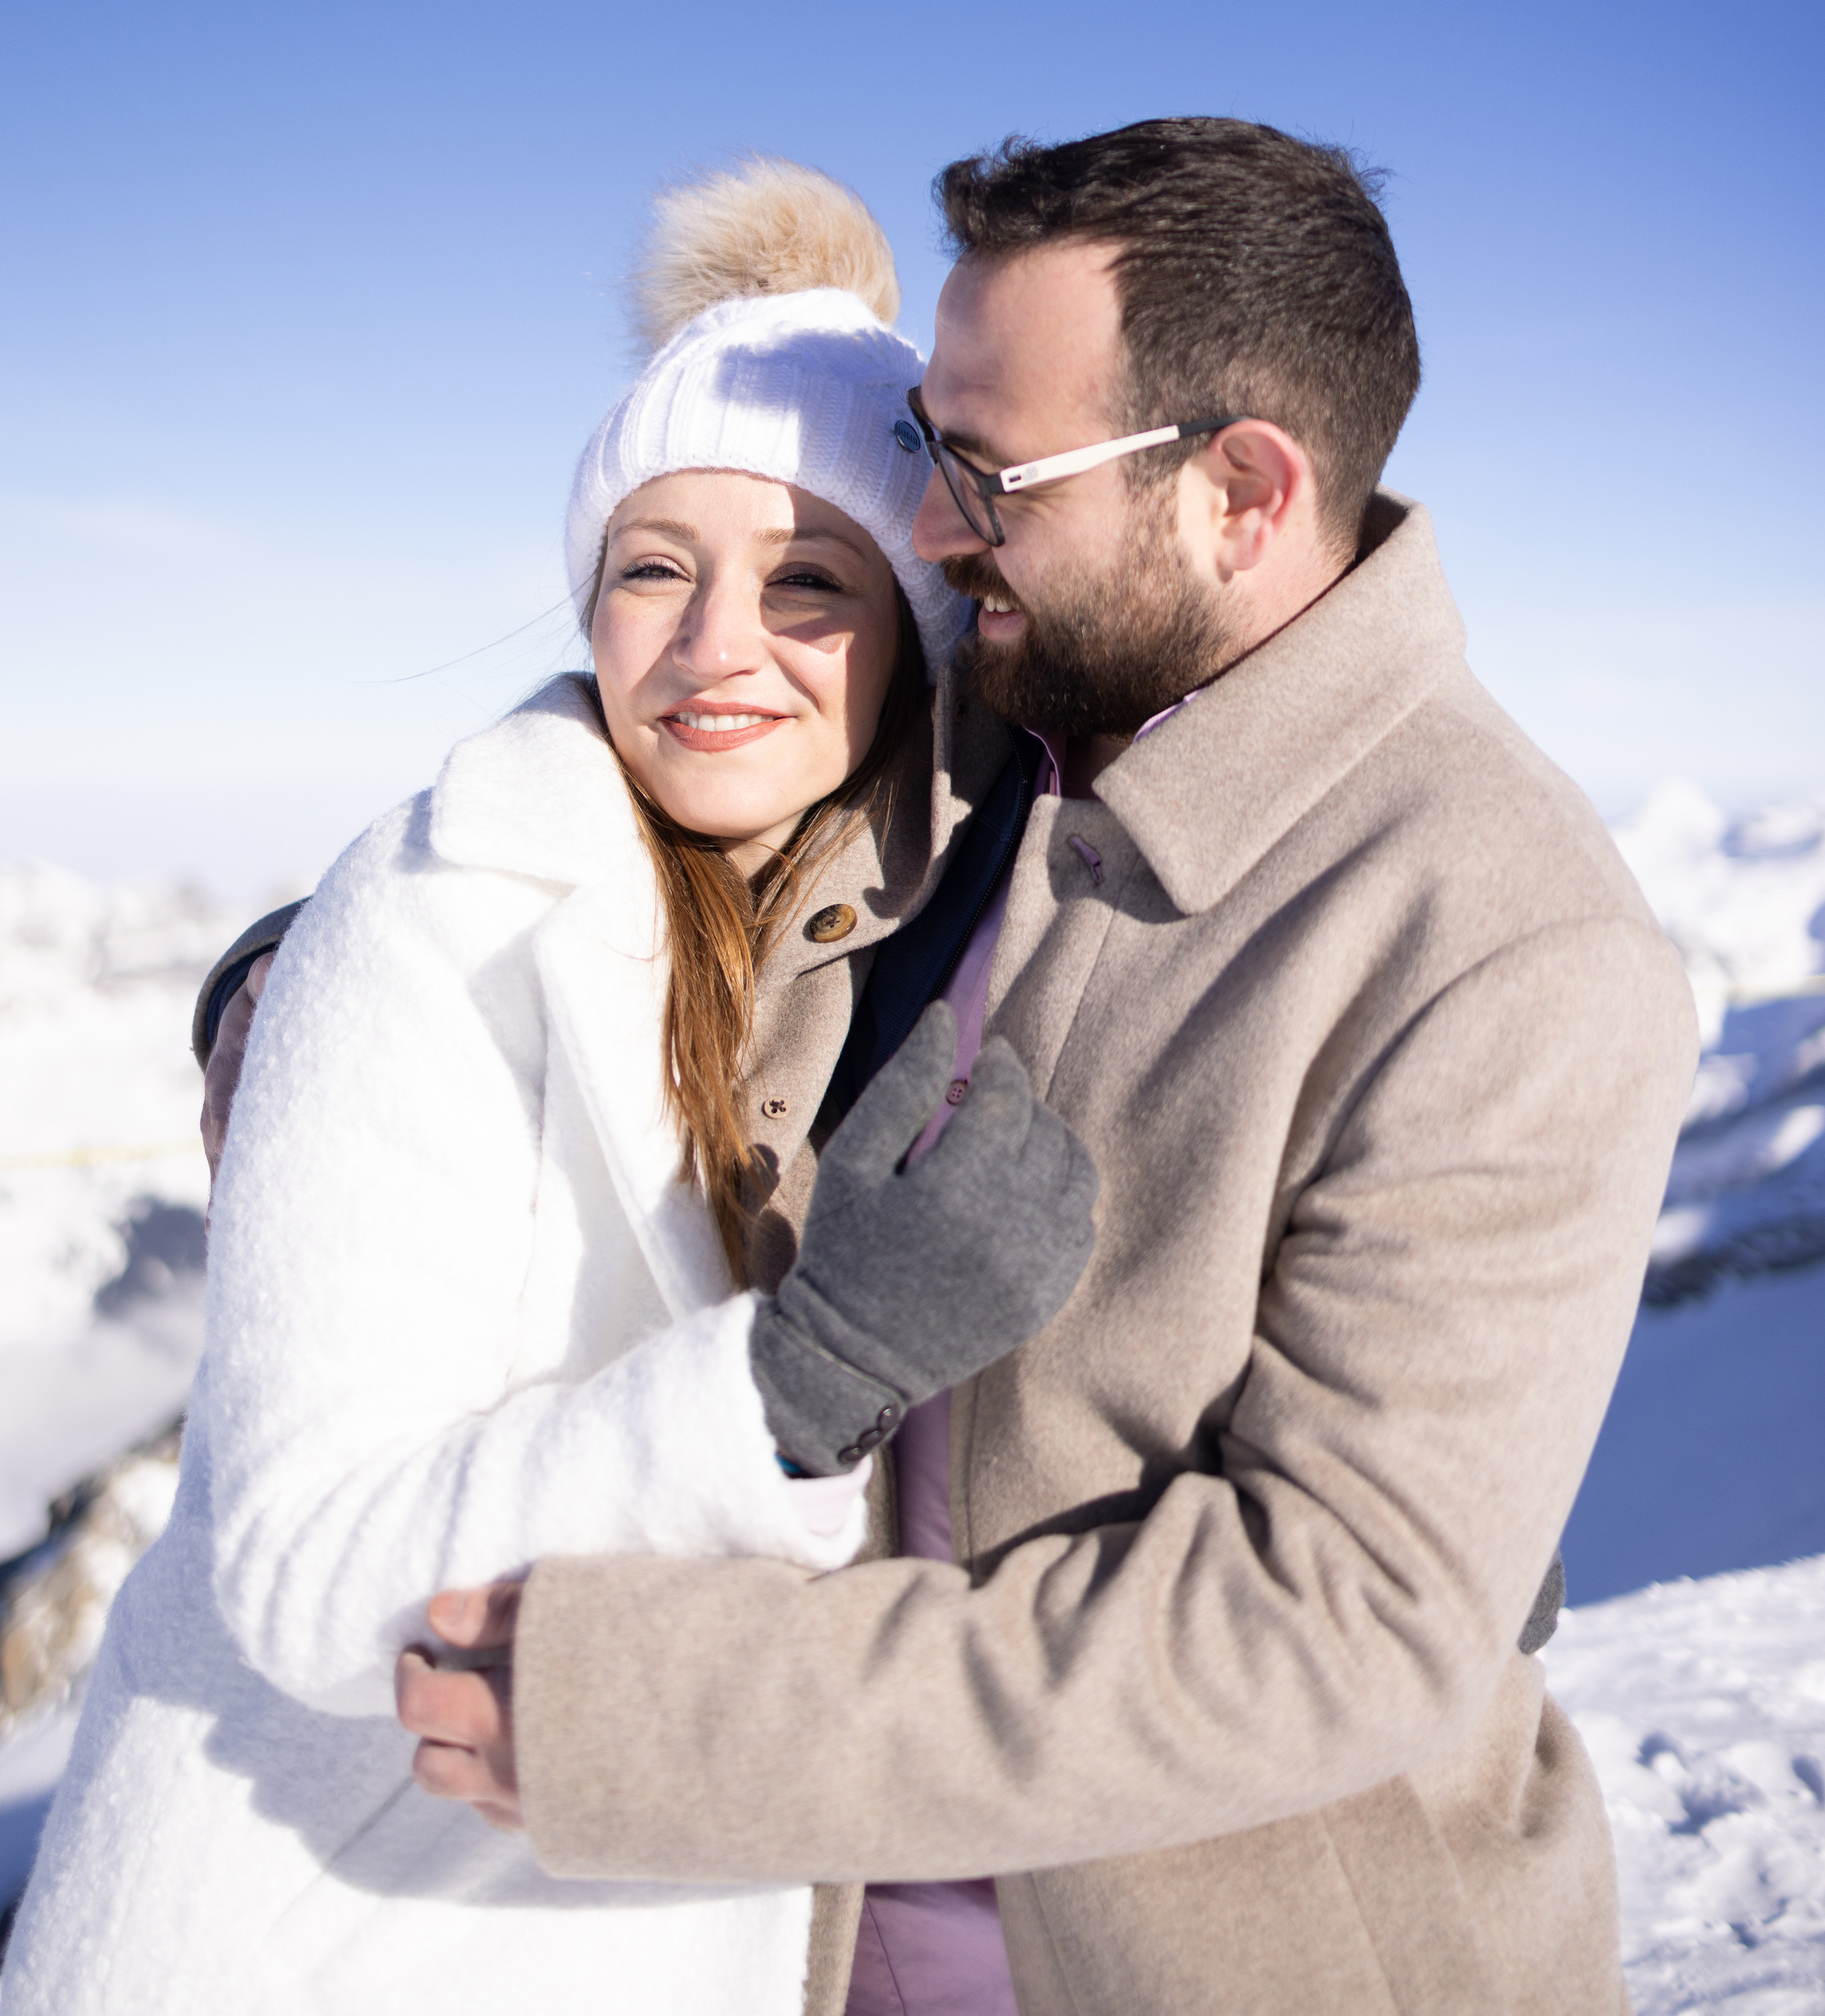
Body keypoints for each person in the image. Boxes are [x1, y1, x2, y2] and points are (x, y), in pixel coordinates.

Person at [395, 118, 1699, 2016]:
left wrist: (659, 1719)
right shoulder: (1013, 709)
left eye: (989, 473)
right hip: (807, 1937)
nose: (932, 527)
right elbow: (690, 688)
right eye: (929, 448)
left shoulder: (1505, 944)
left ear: (1242, 494)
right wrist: (361, 940)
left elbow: (1333, 1626)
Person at [3, 160, 1097, 2016]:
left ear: (916, 635)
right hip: (327, 1931)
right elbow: (307, 1571)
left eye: (808, 582)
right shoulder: (430, 929)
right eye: (651, 569)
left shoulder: (955, 884)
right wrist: (792, 1387)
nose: (714, 644)